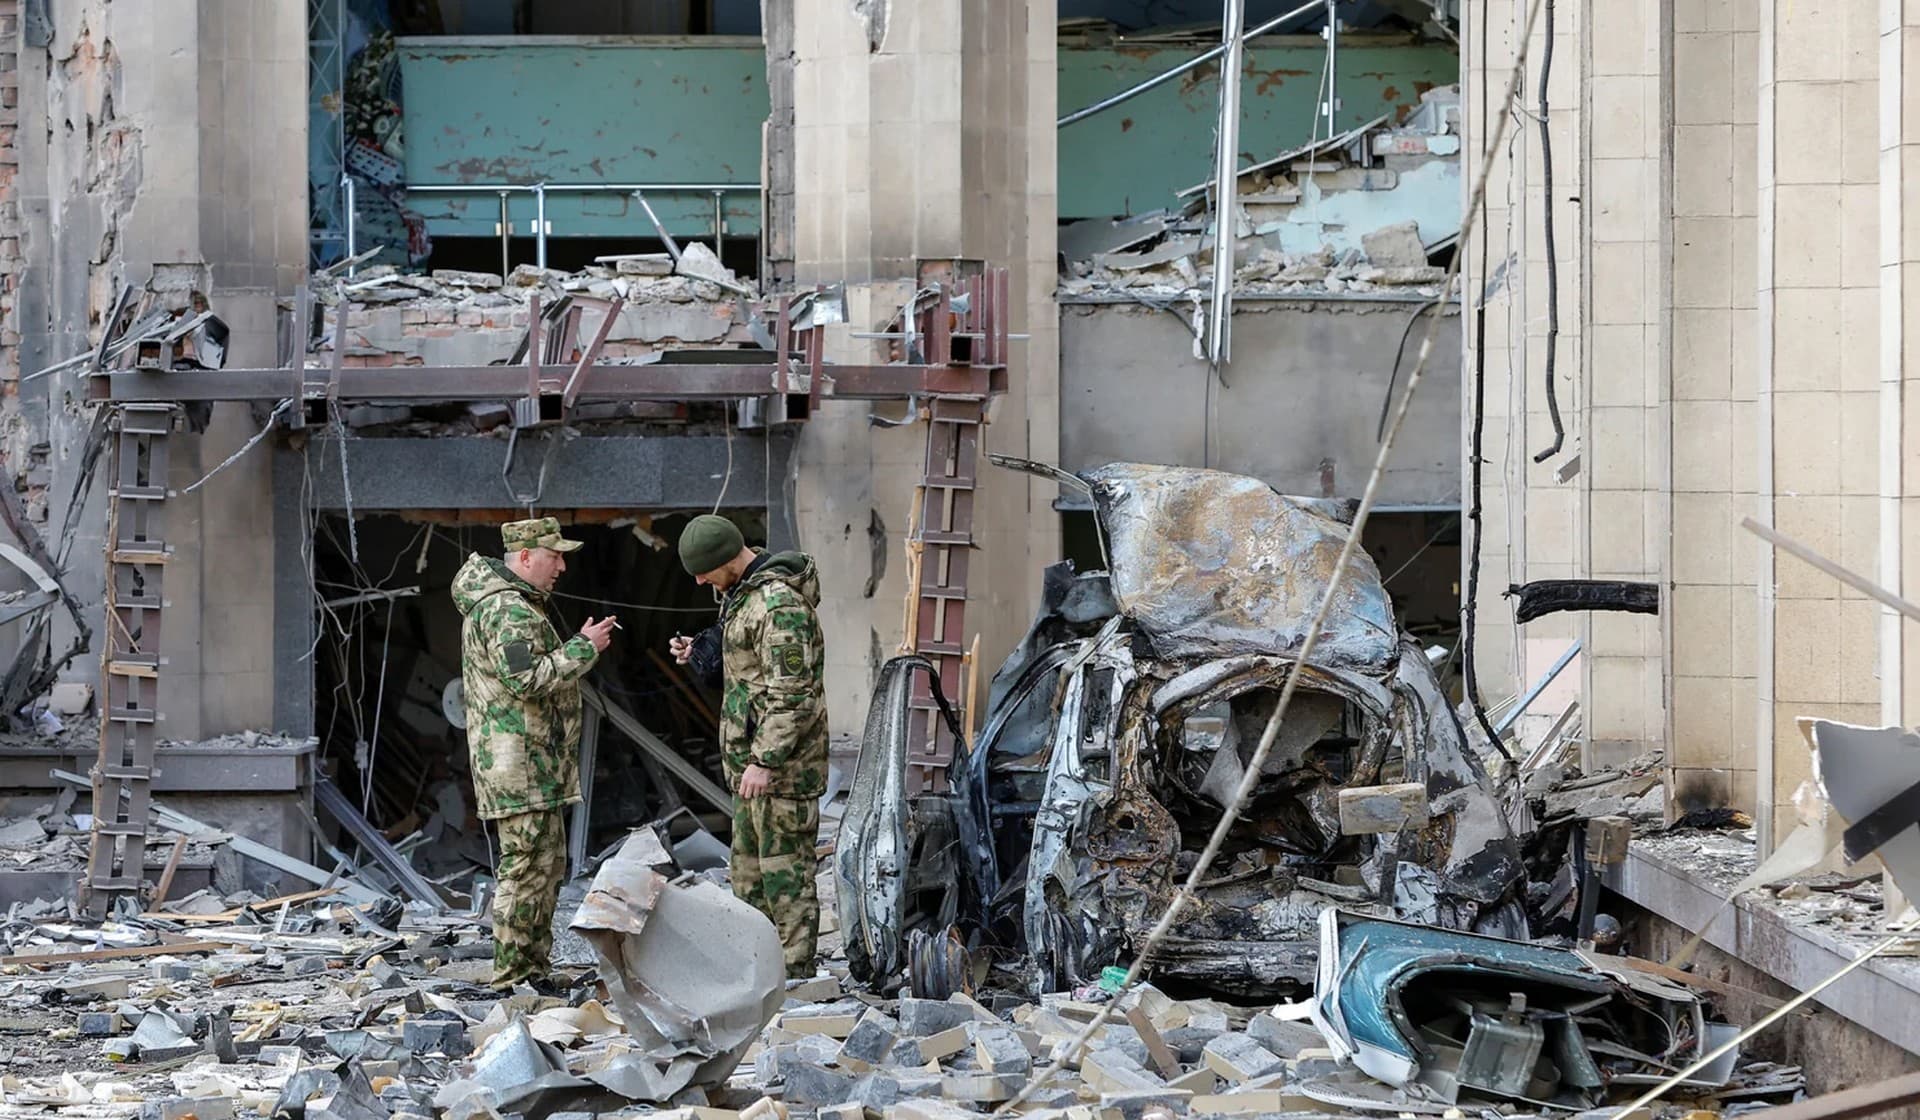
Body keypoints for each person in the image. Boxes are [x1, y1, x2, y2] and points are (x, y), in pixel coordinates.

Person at [452, 517, 616, 991]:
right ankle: (512, 979)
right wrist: (584, 648)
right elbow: (526, 680)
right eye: (554, 556)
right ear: (525, 557)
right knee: (525, 870)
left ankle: (533, 971)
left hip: (534, 765)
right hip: (521, 767)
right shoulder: (508, 610)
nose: (561, 567)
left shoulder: (515, 606)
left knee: (545, 869)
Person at [670, 514, 827, 978]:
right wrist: (703, 650)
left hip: (782, 771)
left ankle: (793, 975)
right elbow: (750, 668)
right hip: (751, 770)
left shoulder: (780, 607)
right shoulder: (743, 595)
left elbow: (793, 695)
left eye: (704, 571)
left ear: (727, 558)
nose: (699, 582)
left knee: (784, 874)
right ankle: (757, 971)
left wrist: (765, 760)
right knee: (748, 875)